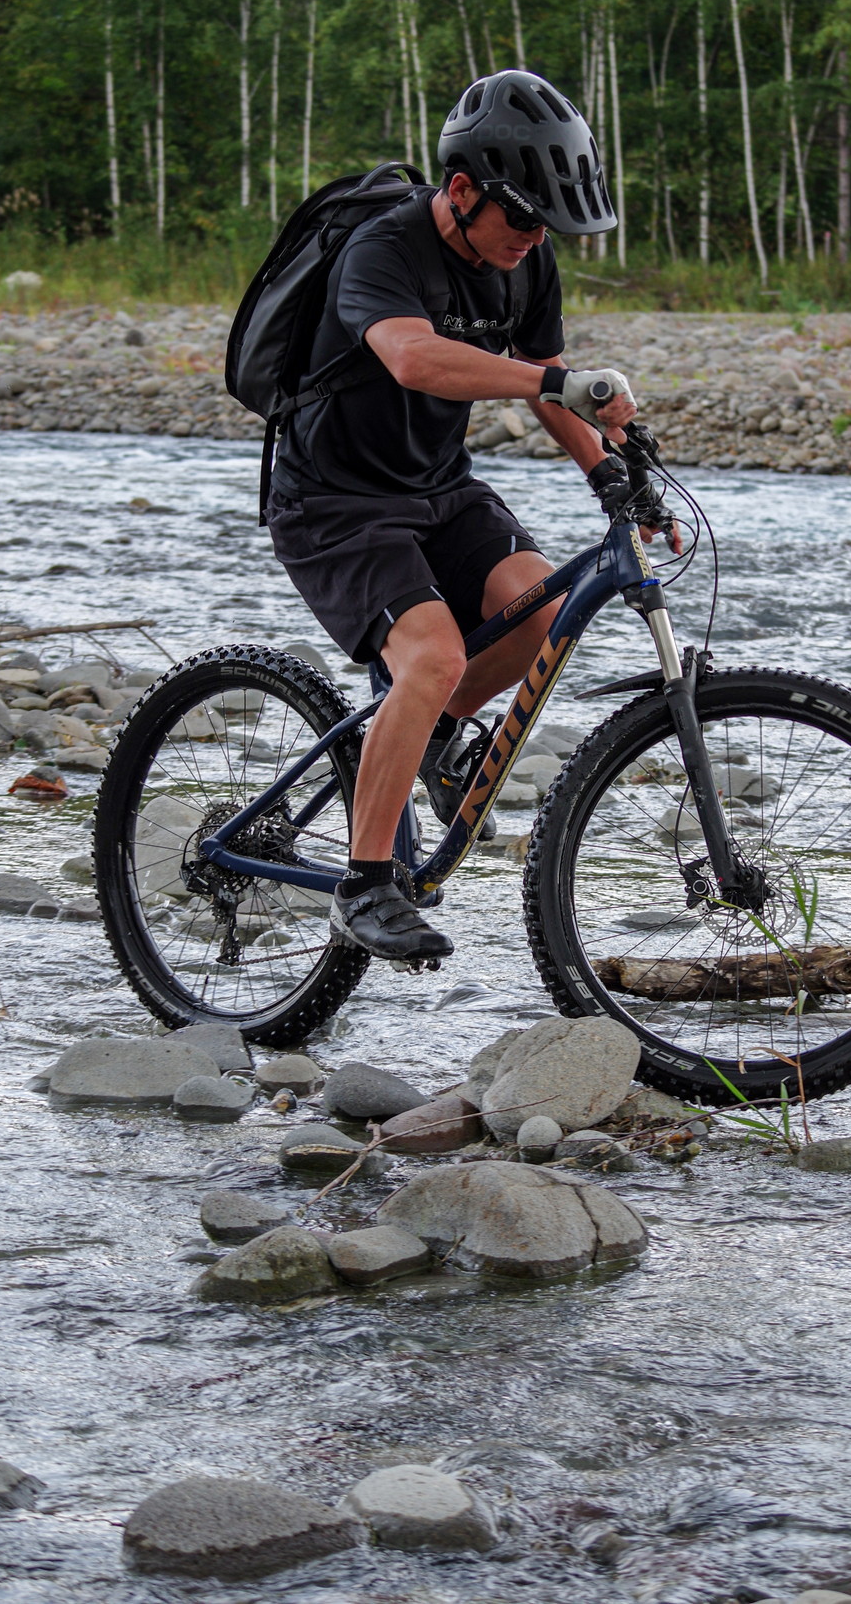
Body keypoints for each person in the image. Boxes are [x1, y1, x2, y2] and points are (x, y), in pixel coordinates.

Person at [266, 68, 677, 968]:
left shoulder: (523, 262)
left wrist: (617, 480)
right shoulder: (383, 249)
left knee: (542, 610)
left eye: (546, 228)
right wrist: (554, 381)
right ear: (461, 191)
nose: (534, 240)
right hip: (334, 500)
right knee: (433, 650)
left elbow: (554, 382)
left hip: (437, 484)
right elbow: (414, 359)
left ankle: (430, 731)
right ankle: (366, 882)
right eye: (523, 219)